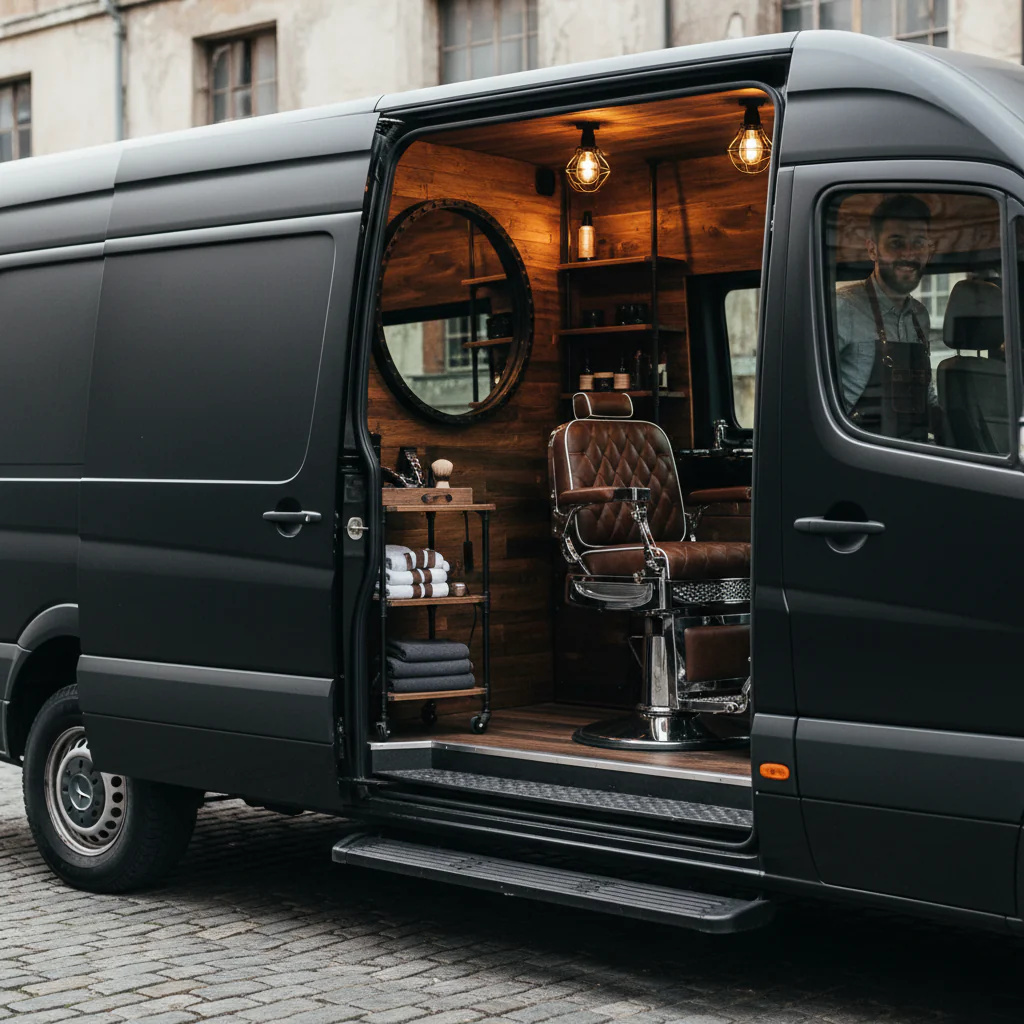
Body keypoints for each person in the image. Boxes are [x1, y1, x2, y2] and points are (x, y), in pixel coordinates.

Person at [835, 194, 937, 443]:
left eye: (919, 243)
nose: (909, 254)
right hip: (859, 457)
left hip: (916, 453)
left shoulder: (920, 316)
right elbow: (806, 394)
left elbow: (925, 397)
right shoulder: (842, 307)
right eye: (896, 243)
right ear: (872, 249)